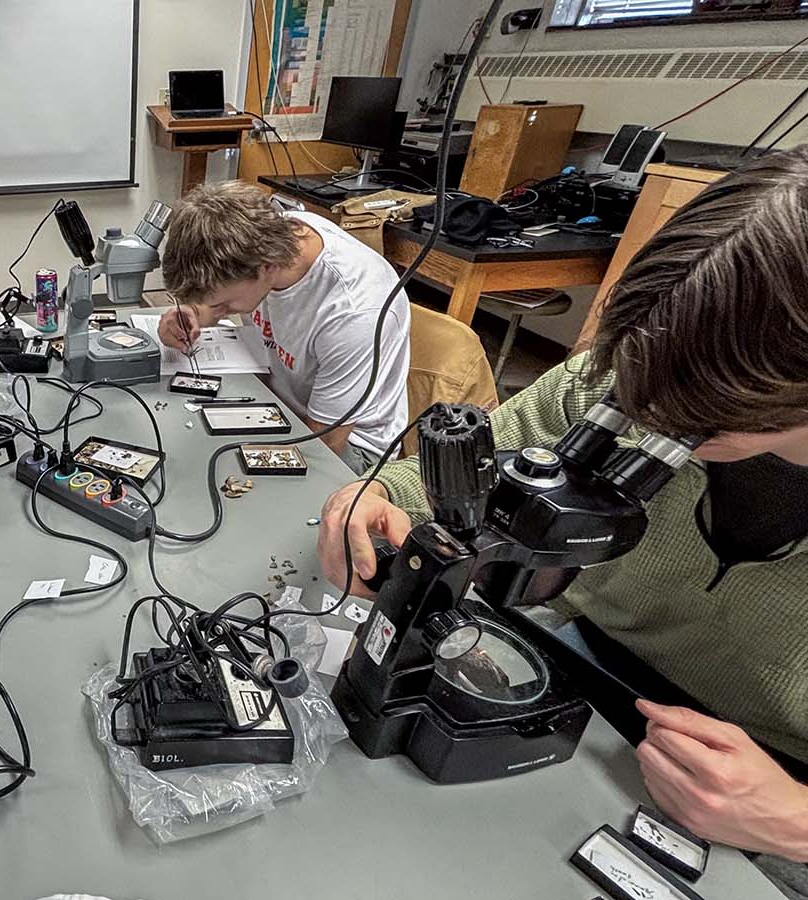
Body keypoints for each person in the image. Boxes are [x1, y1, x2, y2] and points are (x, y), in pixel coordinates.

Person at [316, 148, 808, 898]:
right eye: (639, 399)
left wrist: (794, 820)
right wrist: (368, 497)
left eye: (696, 424)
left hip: (763, 785)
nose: (653, 423)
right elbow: (454, 479)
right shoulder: (626, 371)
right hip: (574, 664)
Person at [157, 180, 411, 474]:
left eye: (224, 304)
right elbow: (218, 295)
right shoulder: (269, 234)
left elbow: (325, 442)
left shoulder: (353, 313)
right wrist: (192, 311)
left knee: (206, 471)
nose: (219, 311)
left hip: (346, 444)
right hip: (280, 397)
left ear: (266, 267)